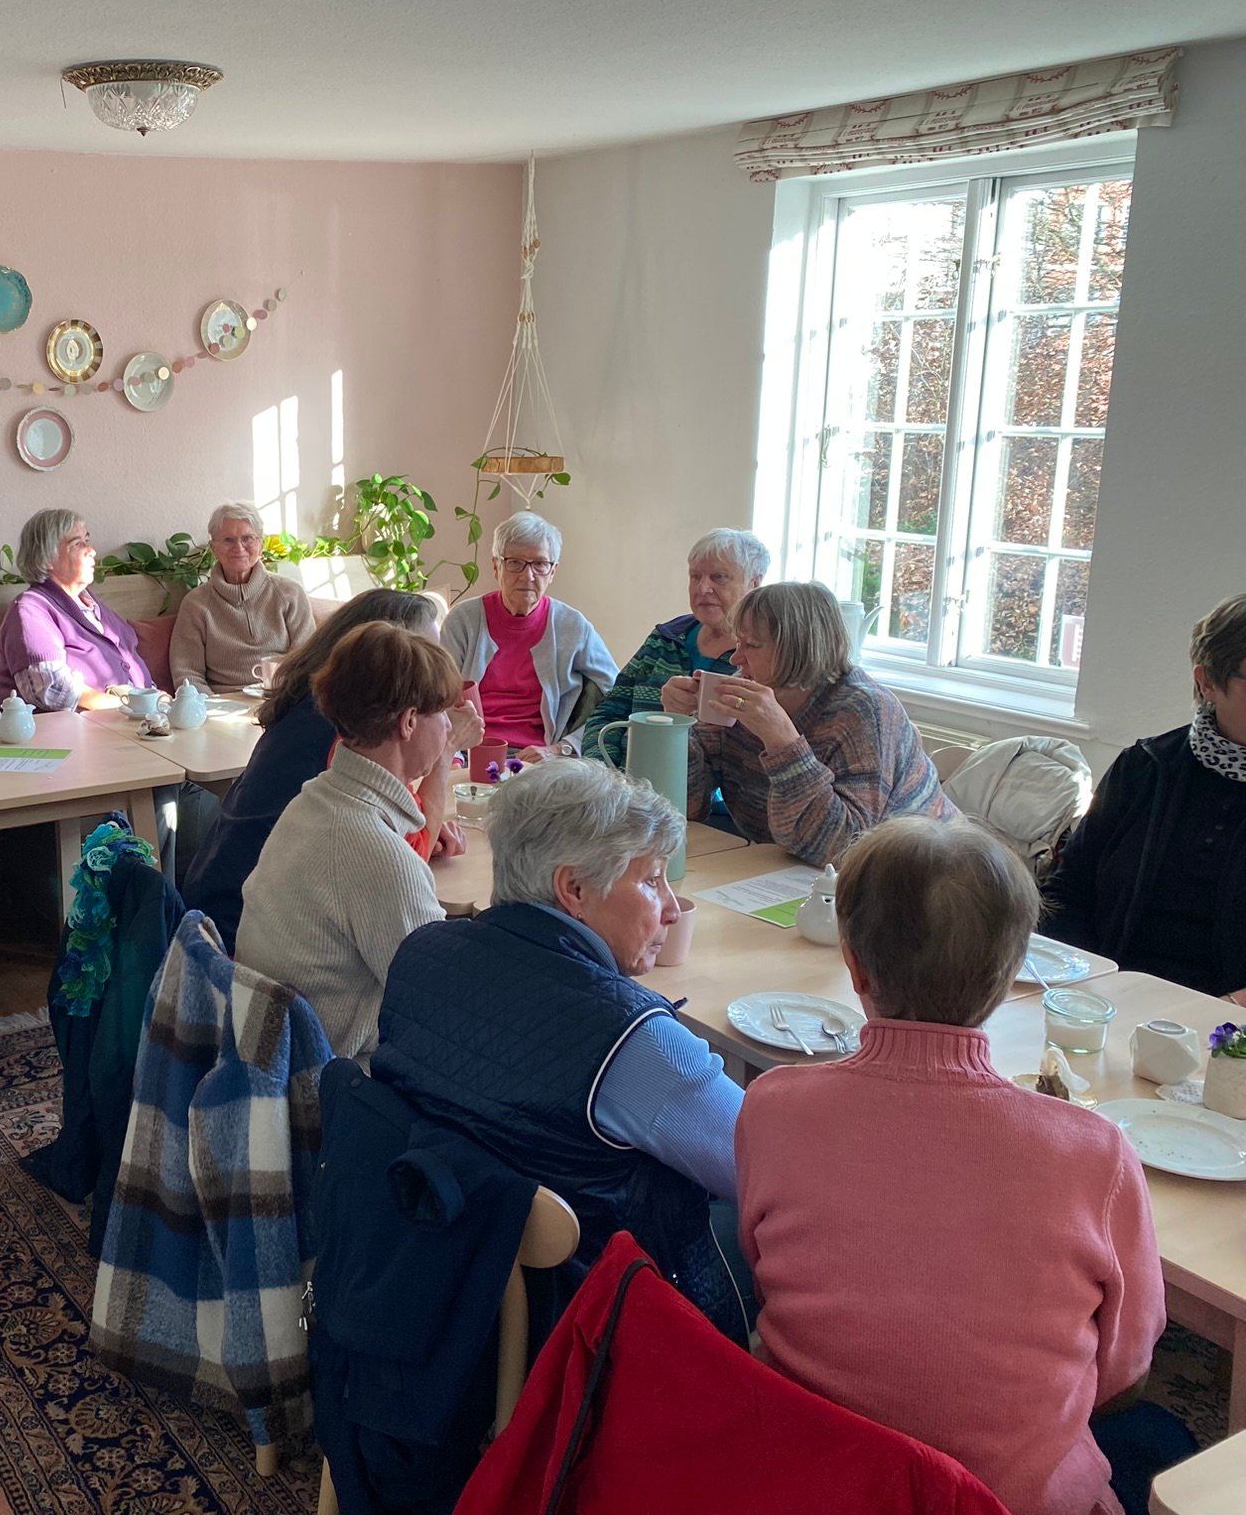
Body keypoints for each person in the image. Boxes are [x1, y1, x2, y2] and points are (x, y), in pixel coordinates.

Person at [739, 817, 1183, 1515]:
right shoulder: (1094, 1151)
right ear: (1010, 979)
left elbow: (768, 1270)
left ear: (854, 965)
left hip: (812, 1473)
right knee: (1164, 1438)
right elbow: (1124, 1372)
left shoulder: (772, 1105)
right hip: (1005, 1499)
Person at [372, 759, 748, 1338]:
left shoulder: (420, 954)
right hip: (588, 1323)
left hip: (443, 1280)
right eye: (651, 881)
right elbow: (763, 1171)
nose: (672, 908)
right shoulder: (635, 1045)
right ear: (572, 889)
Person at [182, 590, 480, 949]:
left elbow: (386, 831)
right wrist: (446, 752)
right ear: (407, 715)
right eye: (425, 677)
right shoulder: (334, 738)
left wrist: (409, 832)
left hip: (216, 923)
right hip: (231, 933)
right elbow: (419, 969)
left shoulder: (319, 719)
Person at [234, 622, 462, 1061]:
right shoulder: (373, 850)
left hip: (271, 1051)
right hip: (326, 1082)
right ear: (410, 721)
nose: (450, 727)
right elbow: (444, 1005)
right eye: (444, 715)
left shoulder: (315, 799)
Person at [662, 581, 958, 865]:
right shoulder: (743, 694)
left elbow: (844, 848)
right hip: (783, 870)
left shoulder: (864, 709)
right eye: (738, 642)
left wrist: (783, 743)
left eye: (751, 645)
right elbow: (688, 806)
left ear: (798, 648)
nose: (736, 658)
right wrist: (676, 726)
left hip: (919, 875)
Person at [1043, 594, 1246, 1003]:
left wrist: (1225, 1012)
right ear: (1207, 681)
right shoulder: (1143, 768)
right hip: (1109, 995)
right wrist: (1085, 984)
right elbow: (1068, 892)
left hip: (1229, 1023)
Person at [584, 528, 770, 769]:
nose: (702, 588)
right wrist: (604, 773)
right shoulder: (665, 638)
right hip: (623, 786)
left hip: (702, 799)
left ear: (754, 583)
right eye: (695, 576)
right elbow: (606, 714)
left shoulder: (762, 656)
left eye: (718, 577)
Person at [441, 511, 618, 758]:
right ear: (496, 566)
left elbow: (618, 697)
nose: (528, 575)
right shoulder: (463, 621)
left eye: (540, 564)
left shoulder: (573, 626)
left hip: (540, 759)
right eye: (515, 563)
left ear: (553, 571)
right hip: (471, 754)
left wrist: (562, 748)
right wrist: (453, 757)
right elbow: (435, 701)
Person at [0, 508, 152, 709]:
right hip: (72, 732)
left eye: (87, 540)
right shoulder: (31, 609)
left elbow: (131, 660)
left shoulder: (92, 605)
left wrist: (156, 701)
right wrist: (131, 704)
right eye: (77, 544)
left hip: (130, 721)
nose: (91, 550)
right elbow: (53, 691)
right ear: (47, 559)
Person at [167, 501, 316, 692]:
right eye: (228, 540)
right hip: (223, 706)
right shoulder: (196, 604)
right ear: (214, 548)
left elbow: (309, 661)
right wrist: (212, 711)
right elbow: (187, 675)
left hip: (283, 700)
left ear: (261, 545)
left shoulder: (290, 594)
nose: (239, 547)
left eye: (247, 538)